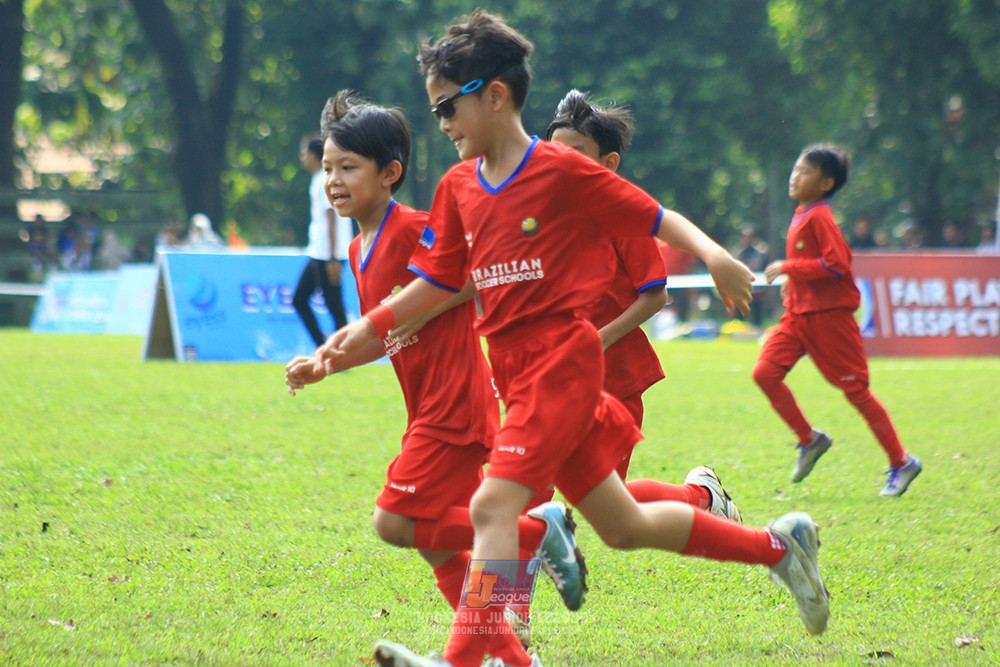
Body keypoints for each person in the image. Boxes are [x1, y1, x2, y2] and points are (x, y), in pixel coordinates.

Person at [314, 11, 830, 666]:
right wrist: (364, 329)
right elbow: (438, 283)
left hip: (562, 363)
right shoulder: (458, 187)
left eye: (448, 106)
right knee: (623, 525)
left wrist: (716, 255)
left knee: (493, 503)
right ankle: (779, 547)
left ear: (494, 95)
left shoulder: (559, 170)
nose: (441, 124)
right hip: (517, 374)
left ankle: (465, 658)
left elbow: (653, 214)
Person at [284, 91, 560, 667]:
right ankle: (515, 660)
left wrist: (421, 306)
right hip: (430, 408)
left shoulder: (413, 229)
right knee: (440, 549)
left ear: (390, 174)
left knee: (395, 521)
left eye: (348, 168)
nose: (333, 180)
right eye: (329, 169)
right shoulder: (360, 250)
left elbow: (471, 276)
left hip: (453, 404)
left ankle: (532, 536)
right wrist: (325, 364)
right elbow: (386, 338)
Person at [753, 144, 922, 498]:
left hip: (829, 320)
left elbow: (837, 265)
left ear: (826, 182)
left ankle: (902, 462)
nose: (795, 175)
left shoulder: (819, 217)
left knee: (856, 392)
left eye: (805, 171)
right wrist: (792, 286)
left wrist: (788, 268)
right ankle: (809, 440)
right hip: (798, 317)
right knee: (764, 373)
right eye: (795, 168)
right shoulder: (801, 214)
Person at [293, 137, 349, 347]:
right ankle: (323, 348)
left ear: (314, 155)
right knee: (299, 299)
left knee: (334, 305)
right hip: (318, 252)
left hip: (328, 254)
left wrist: (334, 258)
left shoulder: (325, 180)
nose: (302, 158)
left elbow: (331, 218)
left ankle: (344, 354)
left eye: (304, 153)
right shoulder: (317, 179)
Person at [733, 224, 770, 328]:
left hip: (757, 290)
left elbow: (765, 269)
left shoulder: (760, 254)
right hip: (742, 290)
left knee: (756, 319)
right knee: (740, 318)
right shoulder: (738, 254)